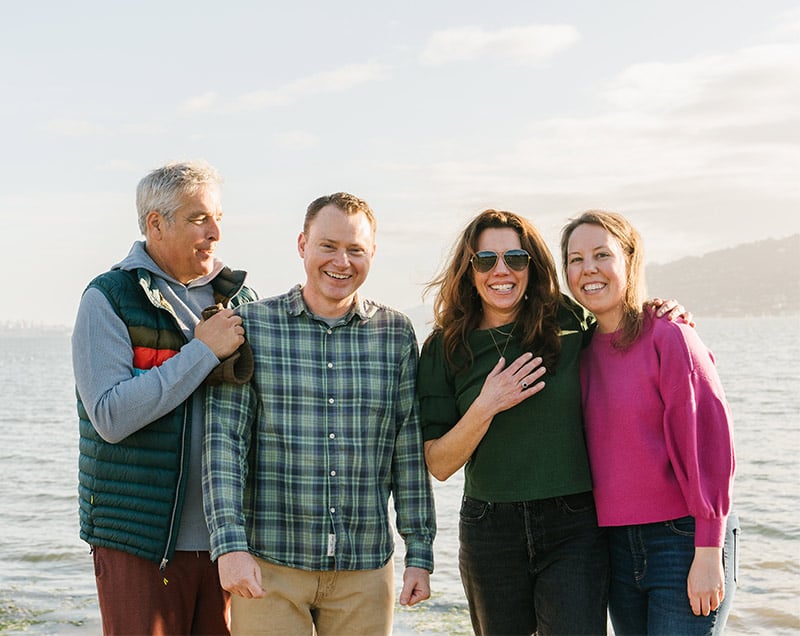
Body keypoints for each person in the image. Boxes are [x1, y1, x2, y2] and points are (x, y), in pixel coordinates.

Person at [417, 208, 687, 636]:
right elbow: (439, 463)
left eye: (515, 259)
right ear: (469, 270)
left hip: (574, 523)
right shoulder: (444, 347)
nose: (501, 271)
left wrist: (657, 309)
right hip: (491, 529)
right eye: (486, 260)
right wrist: (487, 404)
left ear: (532, 265)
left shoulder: (565, 318)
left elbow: (618, 318)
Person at [202, 192, 436, 635]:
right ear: (302, 245)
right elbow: (224, 445)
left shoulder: (396, 334)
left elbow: (407, 449)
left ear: (372, 254)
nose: (341, 262)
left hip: (364, 569)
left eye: (356, 250)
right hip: (269, 565)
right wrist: (229, 545)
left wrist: (419, 552)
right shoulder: (251, 326)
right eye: (328, 246)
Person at [73, 160, 257, 635]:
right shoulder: (108, 298)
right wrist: (202, 352)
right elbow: (111, 415)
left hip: (231, 543)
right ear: (156, 223)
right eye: (199, 219)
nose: (215, 231)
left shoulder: (242, 301)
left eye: (217, 217)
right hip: (139, 544)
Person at [560, 210, 737, 635]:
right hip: (615, 546)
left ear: (630, 259)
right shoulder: (578, 351)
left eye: (602, 254)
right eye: (575, 259)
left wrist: (709, 549)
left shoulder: (670, 336)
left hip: (683, 539)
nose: (588, 269)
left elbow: (709, 443)